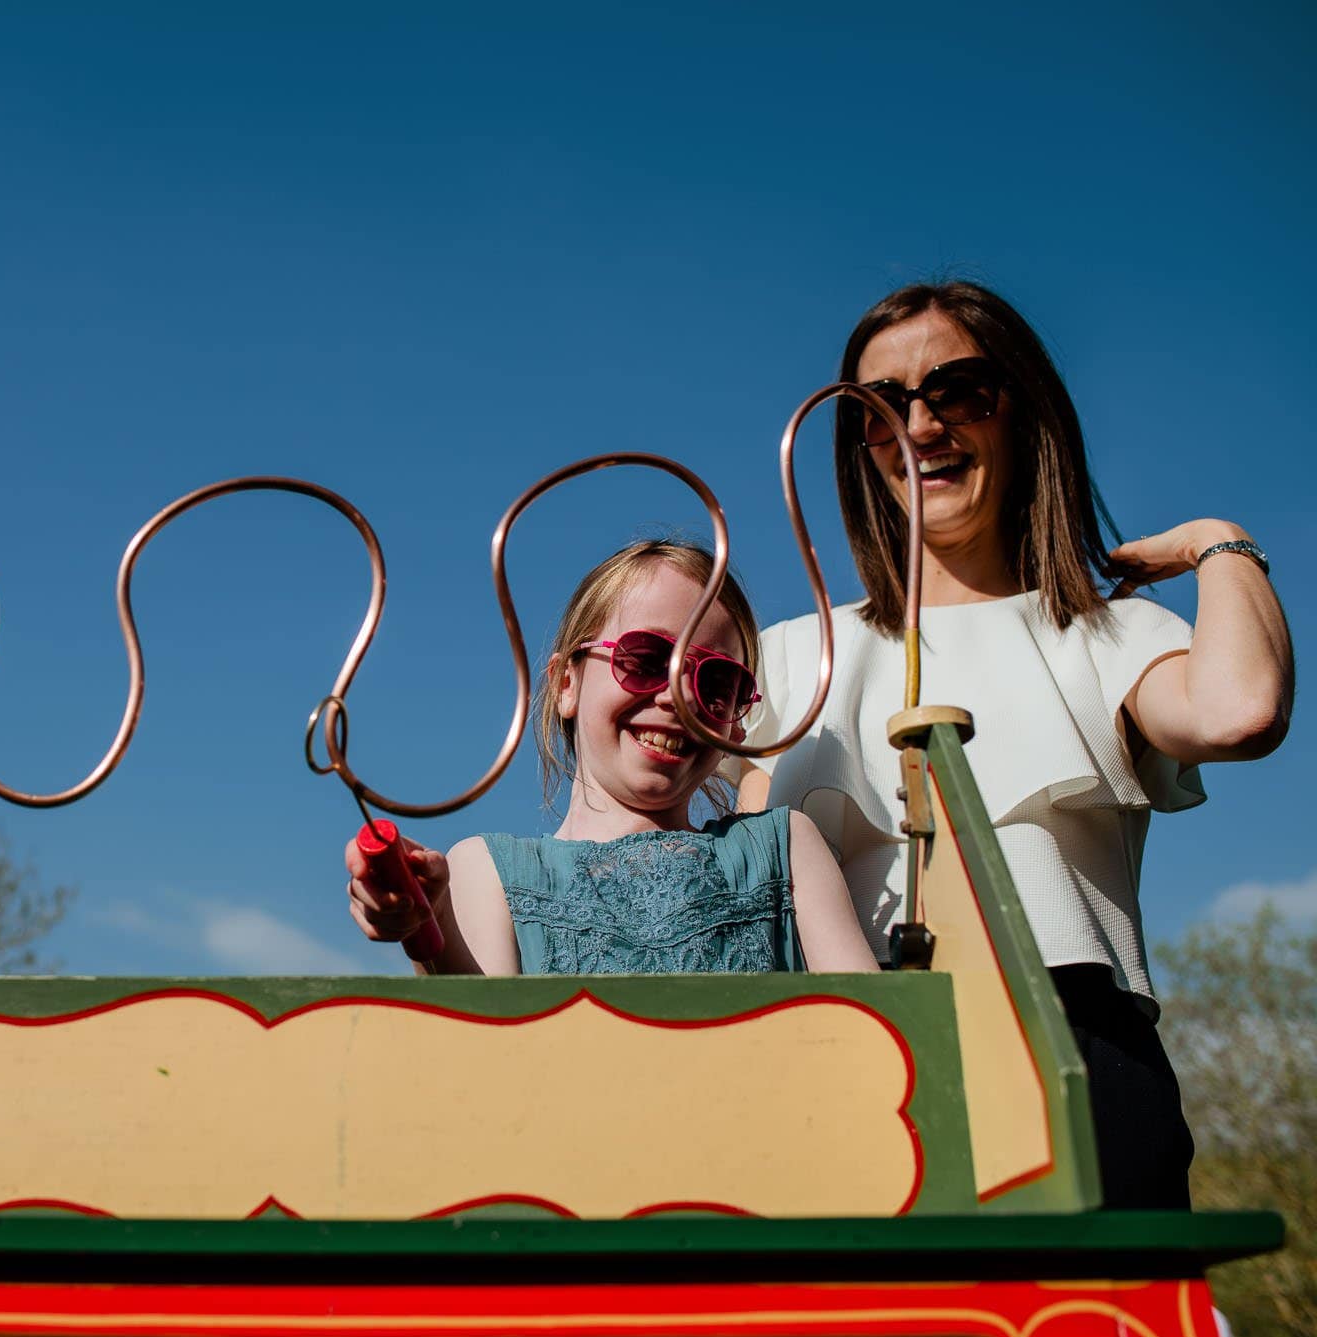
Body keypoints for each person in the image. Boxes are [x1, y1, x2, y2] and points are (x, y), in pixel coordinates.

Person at [737, 282, 1293, 1209]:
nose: (921, 427)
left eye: (960, 391)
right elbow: (721, 875)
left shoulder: (1109, 634)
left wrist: (1219, 543)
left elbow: (1241, 711)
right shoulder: (796, 656)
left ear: (1022, 412)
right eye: (882, 410)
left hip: (1074, 1044)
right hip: (842, 1054)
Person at [346, 540, 879, 976]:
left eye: (717, 682)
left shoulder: (787, 852)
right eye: (645, 659)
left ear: (739, 718)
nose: (678, 696)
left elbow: (870, 1031)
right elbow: (484, 1056)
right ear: (566, 683)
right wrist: (430, 928)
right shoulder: (486, 871)